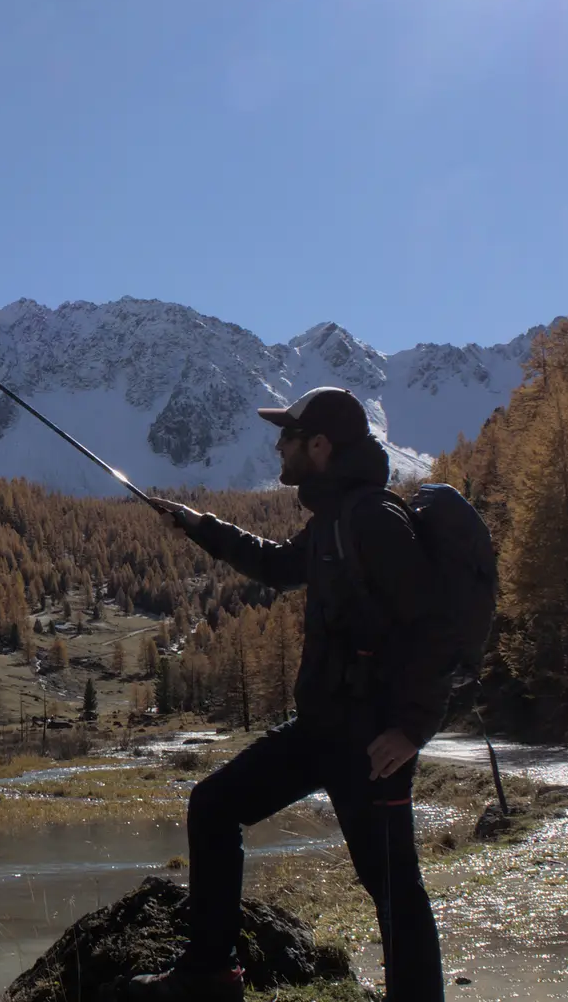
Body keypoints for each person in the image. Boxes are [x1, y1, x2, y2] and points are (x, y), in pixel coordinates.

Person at [129, 386, 452, 1002]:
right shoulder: (333, 519)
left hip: (372, 745)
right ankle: (209, 975)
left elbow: (432, 630)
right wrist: (201, 527)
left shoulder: (373, 521)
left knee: (394, 891)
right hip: (323, 731)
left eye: (287, 437)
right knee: (214, 806)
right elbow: (278, 566)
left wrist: (411, 729)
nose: (278, 446)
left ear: (320, 446)